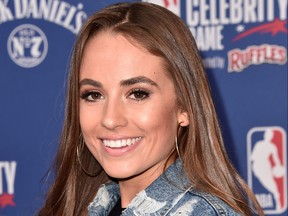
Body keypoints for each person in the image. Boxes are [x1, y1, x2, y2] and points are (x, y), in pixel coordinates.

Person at [39, 2, 264, 215]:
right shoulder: (96, 205)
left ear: (184, 106)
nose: (110, 119)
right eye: (93, 95)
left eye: (138, 94)